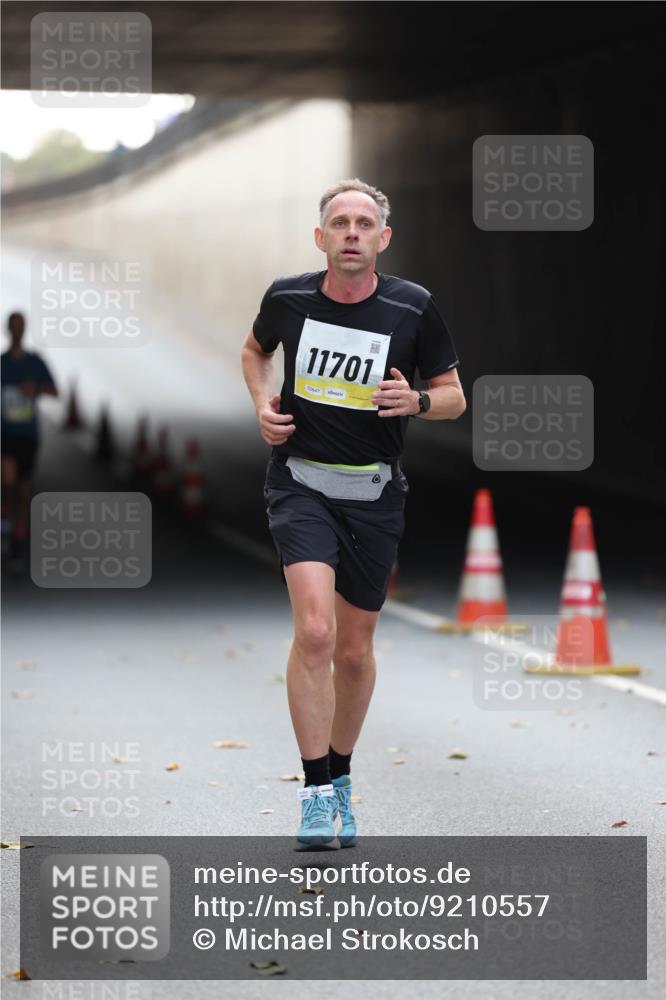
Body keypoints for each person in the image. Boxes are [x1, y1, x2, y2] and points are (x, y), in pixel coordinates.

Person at [241, 179, 466, 850]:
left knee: (354, 651)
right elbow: (256, 351)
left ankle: (339, 774)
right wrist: (261, 404)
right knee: (313, 632)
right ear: (320, 238)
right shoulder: (287, 299)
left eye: (362, 223)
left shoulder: (412, 307)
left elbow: (453, 393)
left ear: (381, 239)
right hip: (299, 485)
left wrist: (418, 404)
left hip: (373, 494)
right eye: (338, 222)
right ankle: (313, 792)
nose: (350, 232)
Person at [1, 312, 58, 564]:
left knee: (24, 490)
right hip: (6, 435)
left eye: (20, 327)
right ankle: (5, 514)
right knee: (8, 478)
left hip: (28, 436)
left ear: (24, 330)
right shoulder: (2, 364)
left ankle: (18, 539)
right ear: (7, 330)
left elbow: (55, 391)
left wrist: (35, 389)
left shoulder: (34, 363)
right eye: (13, 327)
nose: (17, 331)